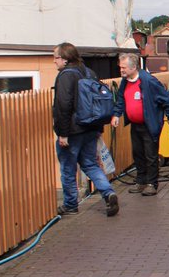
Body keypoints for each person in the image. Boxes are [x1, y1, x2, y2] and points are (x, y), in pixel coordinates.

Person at [51, 42, 119, 217]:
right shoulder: (89, 72)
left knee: (68, 167)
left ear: (65, 59)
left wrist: (63, 133)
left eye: (55, 57)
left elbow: (63, 106)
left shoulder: (66, 76)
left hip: (73, 131)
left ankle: (70, 205)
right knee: (90, 163)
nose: (54, 61)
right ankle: (108, 192)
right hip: (91, 127)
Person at [111, 54, 169, 196]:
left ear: (133, 67)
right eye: (120, 67)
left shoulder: (149, 81)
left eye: (123, 67)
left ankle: (152, 183)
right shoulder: (125, 81)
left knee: (151, 155)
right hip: (135, 124)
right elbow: (121, 99)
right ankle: (141, 181)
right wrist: (116, 114)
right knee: (138, 153)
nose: (121, 70)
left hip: (149, 124)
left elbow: (167, 100)